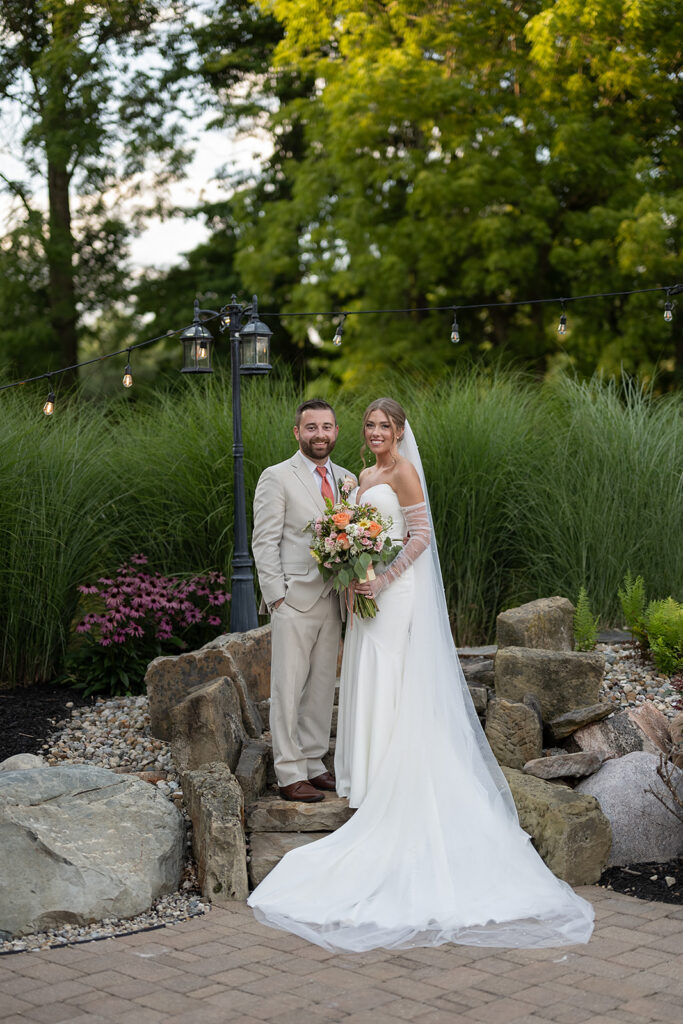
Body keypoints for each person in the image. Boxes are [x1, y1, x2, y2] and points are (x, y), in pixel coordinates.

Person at [248, 397, 595, 952]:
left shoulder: (394, 472)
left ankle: (362, 773)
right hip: (328, 596)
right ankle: (326, 771)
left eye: (382, 425)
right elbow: (279, 538)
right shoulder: (340, 475)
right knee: (331, 682)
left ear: (397, 431)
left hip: (387, 592)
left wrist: (380, 580)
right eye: (369, 424)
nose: (372, 431)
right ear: (305, 431)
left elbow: (420, 536)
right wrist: (286, 594)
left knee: (375, 678)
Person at [252, 399, 357, 803]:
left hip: (334, 599)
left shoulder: (347, 480)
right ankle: (289, 772)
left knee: (318, 688)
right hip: (293, 600)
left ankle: (313, 763)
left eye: (327, 427)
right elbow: (264, 541)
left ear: (335, 432)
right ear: (297, 433)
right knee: (287, 687)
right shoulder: (277, 477)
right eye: (311, 427)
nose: (320, 434)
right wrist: (277, 597)